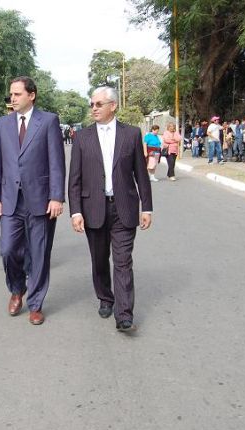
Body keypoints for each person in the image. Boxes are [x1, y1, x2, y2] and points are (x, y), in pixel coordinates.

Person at [68, 86, 153, 332]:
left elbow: (141, 174)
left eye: (99, 104)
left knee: (123, 261)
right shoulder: (82, 137)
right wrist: (76, 211)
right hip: (93, 208)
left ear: (113, 106)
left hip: (123, 207)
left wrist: (147, 207)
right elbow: (75, 179)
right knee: (99, 259)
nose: (94, 108)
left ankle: (124, 314)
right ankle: (105, 297)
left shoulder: (132, 134)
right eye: (92, 104)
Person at [0, 76, 65, 326]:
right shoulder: (1, 124)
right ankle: (17, 289)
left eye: (17, 94)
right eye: (11, 94)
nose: (12, 98)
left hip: (40, 200)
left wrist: (56, 197)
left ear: (31, 95)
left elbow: (56, 162)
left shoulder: (48, 121)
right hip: (10, 200)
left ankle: (35, 304)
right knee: (7, 249)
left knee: (39, 253)